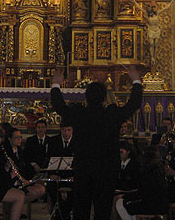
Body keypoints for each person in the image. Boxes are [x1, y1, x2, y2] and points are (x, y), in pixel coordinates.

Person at [50, 67, 143, 220]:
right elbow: (133, 104)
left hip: (84, 166)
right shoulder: (112, 114)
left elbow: (59, 106)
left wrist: (56, 85)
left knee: (81, 207)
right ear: (104, 97)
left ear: (86, 97)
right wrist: (136, 81)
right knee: (103, 208)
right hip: (106, 168)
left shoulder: (79, 113)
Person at [115, 146, 167, 220]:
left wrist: (125, 196)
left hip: (150, 206)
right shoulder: (159, 170)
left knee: (120, 203)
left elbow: (142, 193)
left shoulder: (147, 172)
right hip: (161, 205)